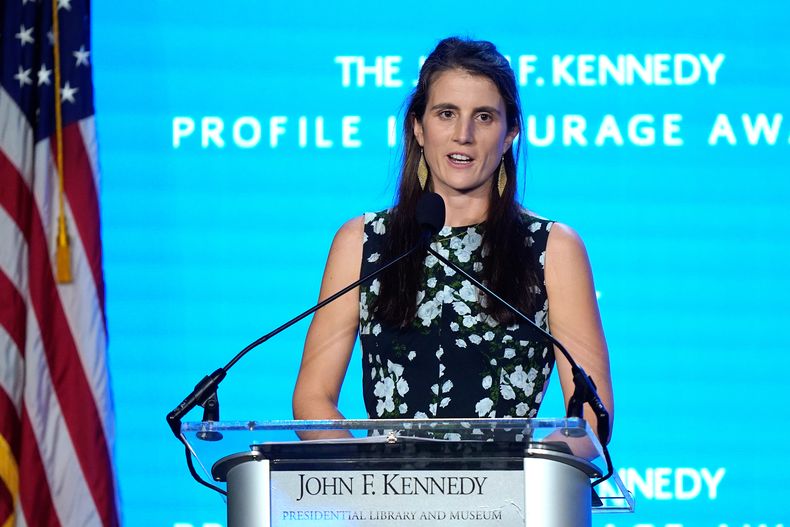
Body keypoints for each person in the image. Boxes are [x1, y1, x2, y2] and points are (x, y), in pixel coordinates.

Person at [292, 37, 613, 443]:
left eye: (483, 117)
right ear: (418, 127)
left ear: (510, 132)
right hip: (386, 499)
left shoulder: (553, 248)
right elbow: (312, 399)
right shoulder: (362, 242)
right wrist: (365, 478)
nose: (463, 135)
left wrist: (527, 479)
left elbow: (590, 415)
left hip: (510, 501)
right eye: (446, 113)